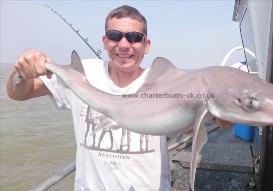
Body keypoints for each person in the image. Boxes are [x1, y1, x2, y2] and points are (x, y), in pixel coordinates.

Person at [7, 5, 232, 191]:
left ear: (147, 45)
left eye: (134, 37)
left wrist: (214, 118)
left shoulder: (168, 84)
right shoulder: (82, 75)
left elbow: (186, 128)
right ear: (105, 41)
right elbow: (19, 93)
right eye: (115, 36)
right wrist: (22, 70)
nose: (124, 45)